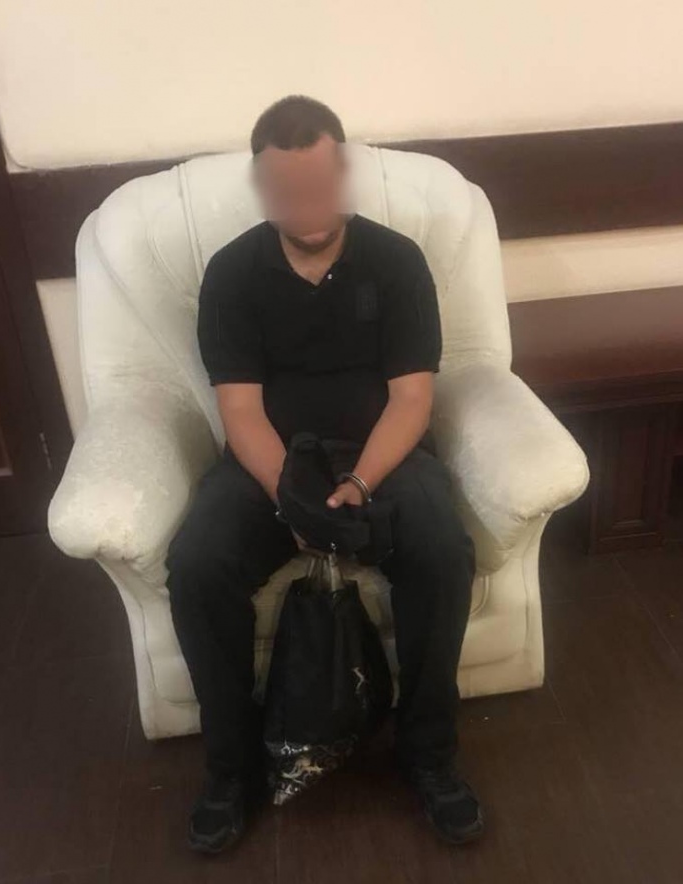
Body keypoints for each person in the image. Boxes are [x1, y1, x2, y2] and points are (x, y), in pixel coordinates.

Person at [165, 95, 483, 854]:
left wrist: (360, 485)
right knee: (198, 563)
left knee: (443, 547)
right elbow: (240, 410)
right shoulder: (232, 273)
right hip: (270, 465)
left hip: (382, 458)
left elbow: (412, 399)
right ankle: (231, 770)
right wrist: (297, 499)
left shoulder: (397, 261)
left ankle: (429, 754)